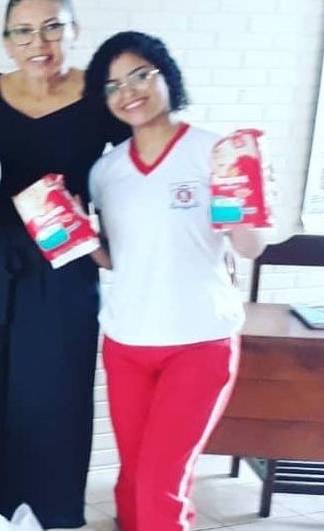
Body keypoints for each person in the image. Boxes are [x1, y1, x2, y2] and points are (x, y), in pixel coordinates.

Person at [0, 0, 130, 528]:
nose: (39, 42)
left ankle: (52, 517)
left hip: (68, 265)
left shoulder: (101, 98)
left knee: (56, 395)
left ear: (75, 32)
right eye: (24, 31)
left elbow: (134, 172)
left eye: (53, 27)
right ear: (7, 41)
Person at [84, 31, 267, 531]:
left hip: (199, 342)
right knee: (132, 481)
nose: (129, 91)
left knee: (159, 483)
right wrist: (72, 240)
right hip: (126, 342)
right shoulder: (105, 172)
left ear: (166, 76)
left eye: (140, 75)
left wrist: (249, 198)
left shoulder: (216, 152)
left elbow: (250, 247)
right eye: (113, 85)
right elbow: (119, 258)